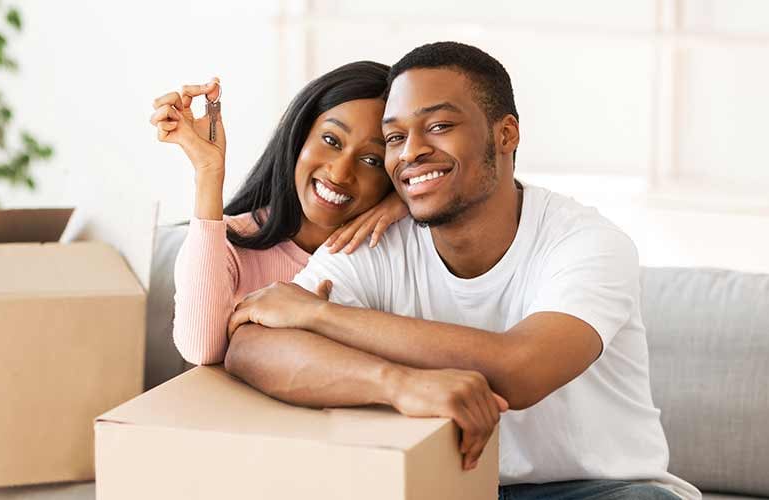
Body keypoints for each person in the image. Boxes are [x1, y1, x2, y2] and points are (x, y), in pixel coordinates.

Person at [223, 42, 701, 500]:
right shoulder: (373, 243)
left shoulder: (587, 243)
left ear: (506, 134)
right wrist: (398, 383)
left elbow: (520, 371)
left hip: (600, 490)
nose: (410, 151)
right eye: (395, 138)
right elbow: (251, 347)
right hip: (444, 484)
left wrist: (320, 316)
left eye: (438, 126)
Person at [150, 61, 410, 366]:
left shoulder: (393, 250)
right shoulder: (234, 245)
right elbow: (201, 349)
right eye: (331, 140)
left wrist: (407, 201)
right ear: (300, 137)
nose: (340, 174)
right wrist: (209, 172)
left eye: (371, 160)